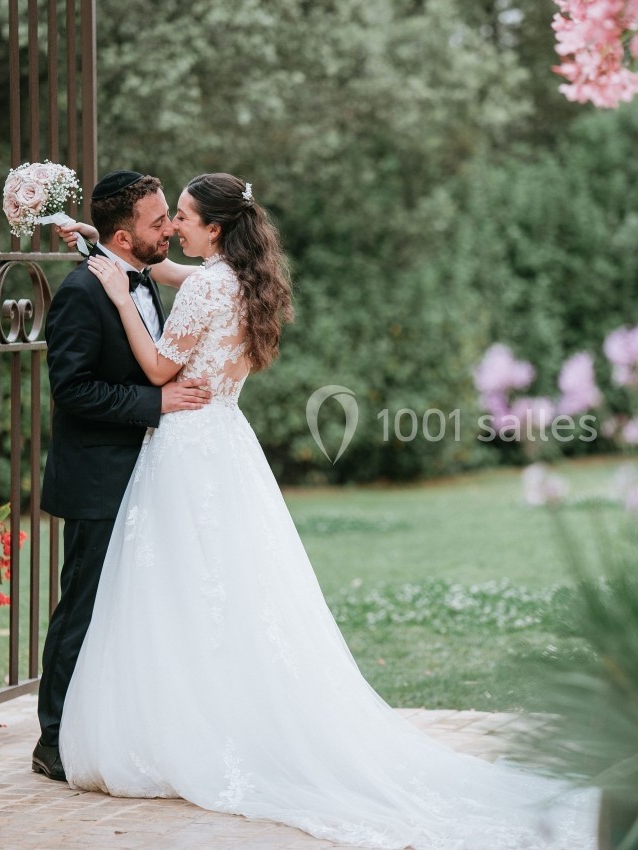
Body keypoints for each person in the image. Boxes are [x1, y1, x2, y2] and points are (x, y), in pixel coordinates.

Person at [55, 172, 597, 848]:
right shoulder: (240, 281)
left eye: (186, 217)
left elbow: (160, 371)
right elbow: (173, 273)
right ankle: (216, 719)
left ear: (215, 229)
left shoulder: (202, 287)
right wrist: (105, 255)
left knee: (181, 590)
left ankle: (183, 727)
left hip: (186, 447)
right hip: (226, 444)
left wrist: (117, 293)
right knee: (222, 591)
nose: (176, 228)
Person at [33, 171, 213, 782]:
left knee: (130, 612)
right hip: (97, 480)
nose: (168, 227)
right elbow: (73, 389)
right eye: (158, 220)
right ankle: (53, 741)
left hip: (148, 476)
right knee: (82, 609)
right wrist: (155, 405)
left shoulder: (134, 271)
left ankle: (110, 727)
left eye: (171, 216)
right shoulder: (84, 292)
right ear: (124, 235)